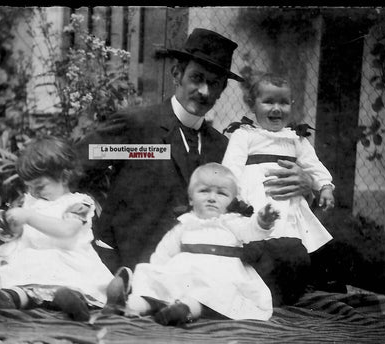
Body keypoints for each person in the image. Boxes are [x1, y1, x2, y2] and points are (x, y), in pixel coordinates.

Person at [78, 28, 314, 274]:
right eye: (197, 78)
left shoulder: (225, 149)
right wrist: (93, 219)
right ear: (177, 74)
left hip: (195, 271)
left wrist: (304, 186)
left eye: (214, 84)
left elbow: (255, 200)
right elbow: (75, 167)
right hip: (126, 264)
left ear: (222, 90)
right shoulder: (137, 126)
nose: (204, 92)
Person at [102, 163, 281, 326]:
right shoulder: (184, 224)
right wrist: (156, 275)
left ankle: (183, 311)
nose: (212, 198)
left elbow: (252, 230)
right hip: (183, 275)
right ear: (190, 199)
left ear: (232, 200)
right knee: (155, 285)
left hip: (219, 278)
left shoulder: (233, 223)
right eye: (204, 191)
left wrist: (263, 221)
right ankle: (129, 306)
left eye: (221, 193)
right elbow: (164, 252)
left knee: (206, 296)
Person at [0, 136, 114, 321]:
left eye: (40, 186)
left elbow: (66, 230)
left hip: (67, 258)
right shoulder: (30, 201)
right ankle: (8, 298)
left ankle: (72, 301)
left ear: (64, 177)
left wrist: (29, 216)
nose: (35, 193)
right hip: (32, 256)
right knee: (23, 282)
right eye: (30, 188)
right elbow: (22, 233)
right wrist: (11, 228)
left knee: (70, 284)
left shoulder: (78, 203)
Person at [222, 72, 335, 254]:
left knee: (291, 240)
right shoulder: (244, 135)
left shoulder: (295, 139)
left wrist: (325, 187)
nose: (276, 108)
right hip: (255, 197)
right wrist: (235, 199)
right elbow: (231, 169)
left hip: (289, 201)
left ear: (291, 105)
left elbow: (313, 165)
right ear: (253, 105)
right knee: (259, 236)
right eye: (268, 102)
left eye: (283, 102)